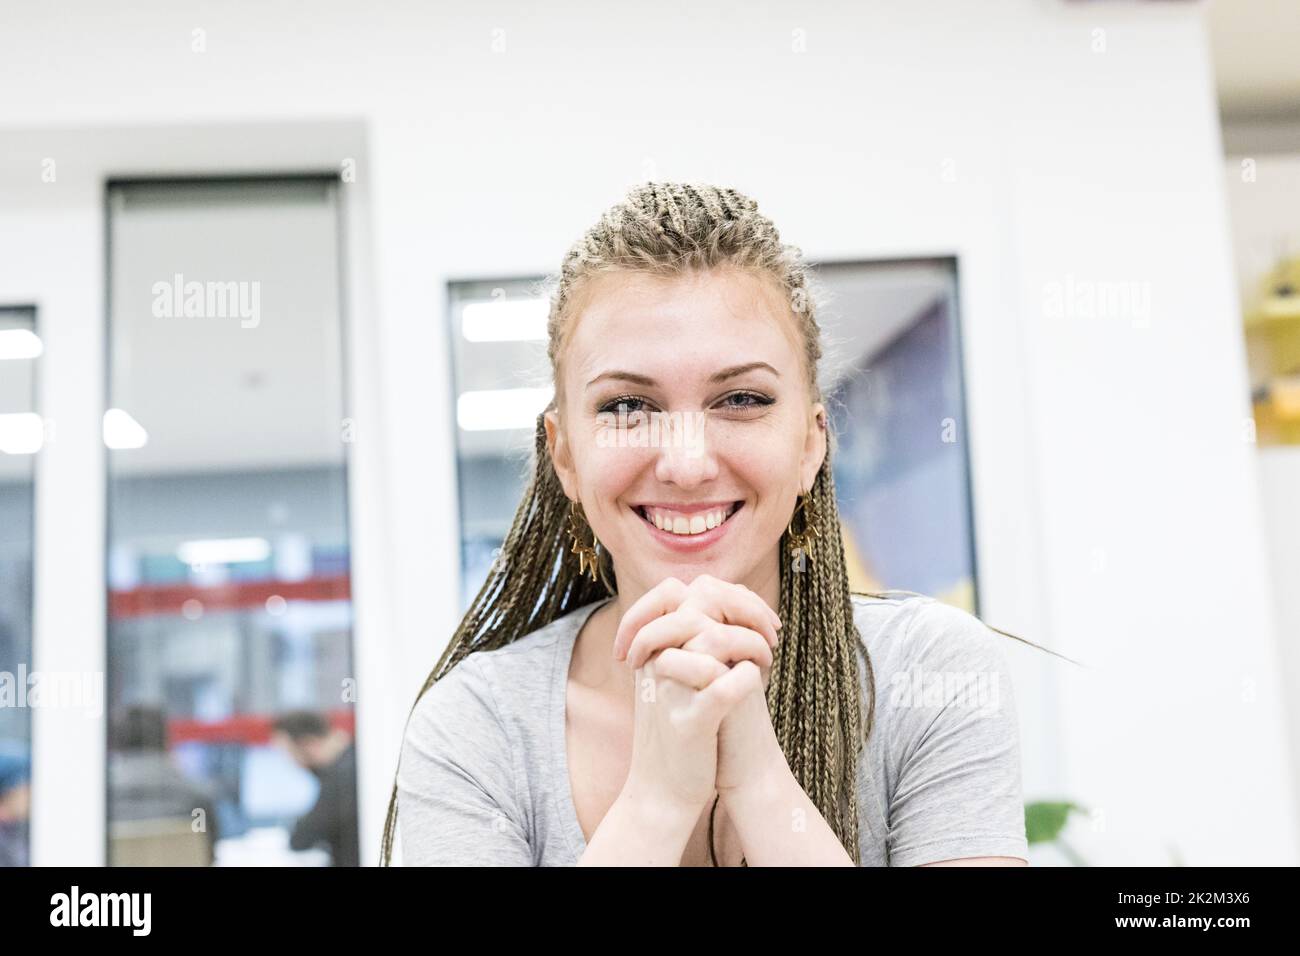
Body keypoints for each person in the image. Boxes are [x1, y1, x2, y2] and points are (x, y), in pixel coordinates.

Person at [388, 182, 1041, 866]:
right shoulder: (476, 727)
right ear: (564, 456)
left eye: (740, 398)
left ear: (812, 441)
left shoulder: (930, 674)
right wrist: (657, 801)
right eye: (625, 406)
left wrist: (759, 782)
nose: (687, 463)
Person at [109, 705, 221, 865]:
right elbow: (207, 855)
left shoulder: (100, 798)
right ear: (166, 740)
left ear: (117, 742)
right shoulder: (196, 797)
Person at [271, 711, 358, 866]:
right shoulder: (354, 758)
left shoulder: (341, 778)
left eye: (290, 753)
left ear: (308, 744)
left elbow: (301, 838)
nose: (294, 763)